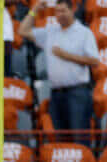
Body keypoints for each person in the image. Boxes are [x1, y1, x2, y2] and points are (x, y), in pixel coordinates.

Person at [20, 0, 99, 143]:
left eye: (63, 11)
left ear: (72, 10)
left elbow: (94, 61)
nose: (60, 15)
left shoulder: (84, 32)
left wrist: (66, 55)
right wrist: (35, 9)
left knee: (79, 137)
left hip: (77, 93)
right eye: (57, 11)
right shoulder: (51, 32)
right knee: (60, 139)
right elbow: (23, 31)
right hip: (56, 93)